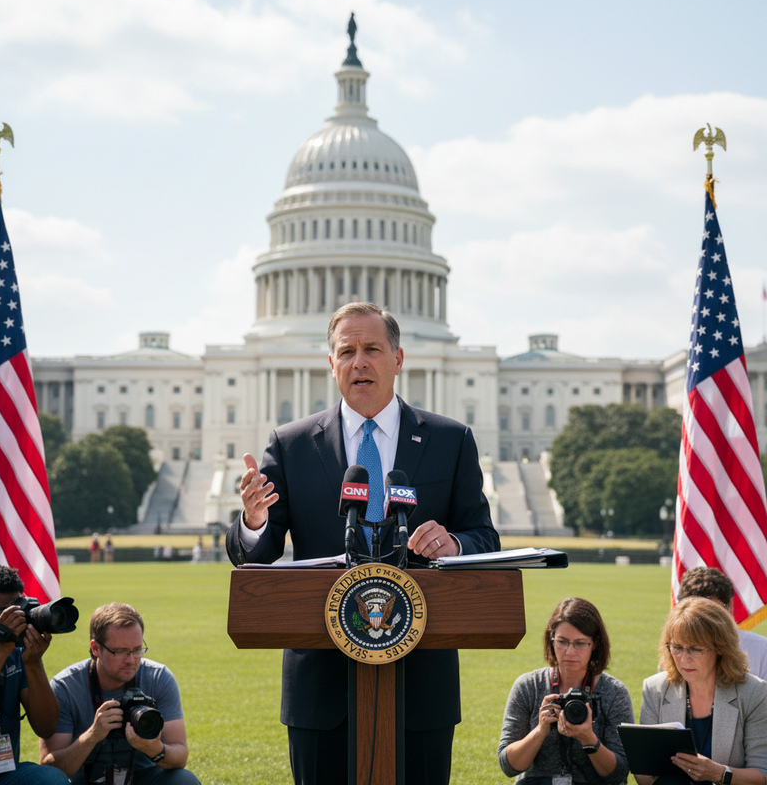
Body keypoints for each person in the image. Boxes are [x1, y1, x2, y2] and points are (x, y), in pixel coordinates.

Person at [226, 301, 500, 785]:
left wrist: (454, 543)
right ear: (331, 364)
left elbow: (484, 536)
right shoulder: (290, 444)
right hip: (321, 683)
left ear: (398, 358)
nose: (360, 362)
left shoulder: (449, 440)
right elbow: (258, 552)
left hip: (422, 681)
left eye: (372, 348)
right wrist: (252, 521)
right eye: (346, 351)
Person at [39, 602, 199, 785]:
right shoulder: (65, 687)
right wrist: (92, 735)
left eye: (137, 650)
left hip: (143, 776)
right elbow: (49, 768)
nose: (131, 660)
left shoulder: (158, 677)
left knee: (184, 780)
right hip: (84, 780)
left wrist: (155, 748)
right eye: (120, 651)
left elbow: (180, 757)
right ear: (96, 648)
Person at [498, 597, 633, 785]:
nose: (570, 652)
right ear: (551, 640)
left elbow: (619, 774)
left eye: (580, 643)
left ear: (594, 643)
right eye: (562, 641)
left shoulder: (614, 692)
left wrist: (589, 739)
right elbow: (508, 766)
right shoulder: (528, 686)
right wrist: (540, 730)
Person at [637, 597, 767, 785]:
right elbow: (645, 774)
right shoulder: (655, 689)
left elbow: (762, 774)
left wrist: (719, 773)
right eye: (677, 647)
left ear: (720, 647)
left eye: (696, 649)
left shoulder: (754, 693)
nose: (684, 659)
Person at [0, 563, 68, 784]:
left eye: (15, 612)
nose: (9, 623)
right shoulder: (4, 649)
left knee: (52, 779)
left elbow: (47, 727)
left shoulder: (15, 650)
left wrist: (33, 663)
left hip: (2, 775)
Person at [679, 566, 767, 680]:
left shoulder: (761, 649)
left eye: (712, 613)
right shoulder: (674, 651)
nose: (706, 623)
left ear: (729, 607)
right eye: (698, 615)